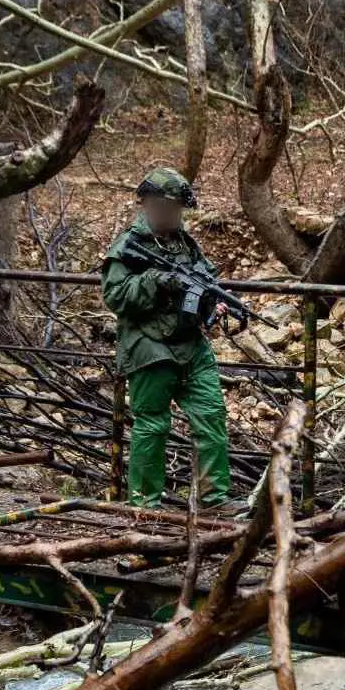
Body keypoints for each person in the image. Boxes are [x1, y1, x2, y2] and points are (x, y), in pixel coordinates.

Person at [101, 167, 236, 511]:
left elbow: (204, 276)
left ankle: (214, 499)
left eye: (176, 209)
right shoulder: (129, 245)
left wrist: (213, 302)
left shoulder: (182, 241)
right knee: (152, 425)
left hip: (190, 344)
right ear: (149, 205)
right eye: (167, 207)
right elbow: (115, 295)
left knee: (211, 415)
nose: (173, 215)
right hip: (149, 345)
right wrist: (155, 281)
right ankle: (145, 506)